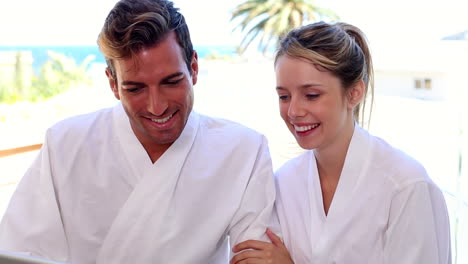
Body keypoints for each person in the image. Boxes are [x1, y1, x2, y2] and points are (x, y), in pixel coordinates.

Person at [0, 0, 278, 263]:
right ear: (112, 84)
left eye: (171, 82)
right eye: (135, 88)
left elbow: (255, 255)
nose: (157, 107)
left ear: (193, 68)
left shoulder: (244, 150)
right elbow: (21, 253)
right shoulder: (65, 144)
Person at [231, 21, 452, 264]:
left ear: (354, 93)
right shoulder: (283, 183)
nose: (293, 111)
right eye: (284, 96)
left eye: (311, 95)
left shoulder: (406, 186)